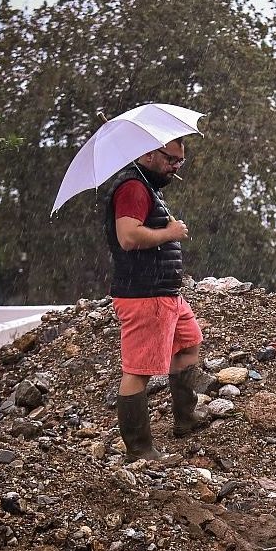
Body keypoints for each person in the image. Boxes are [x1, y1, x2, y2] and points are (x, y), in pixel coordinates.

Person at [102, 137, 206, 461]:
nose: (176, 167)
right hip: (144, 295)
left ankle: (185, 419)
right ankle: (140, 449)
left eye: (180, 162)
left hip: (165, 293)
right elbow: (128, 236)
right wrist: (170, 233)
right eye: (171, 160)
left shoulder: (148, 187)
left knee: (189, 342)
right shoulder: (133, 187)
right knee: (138, 371)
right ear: (148, 153)